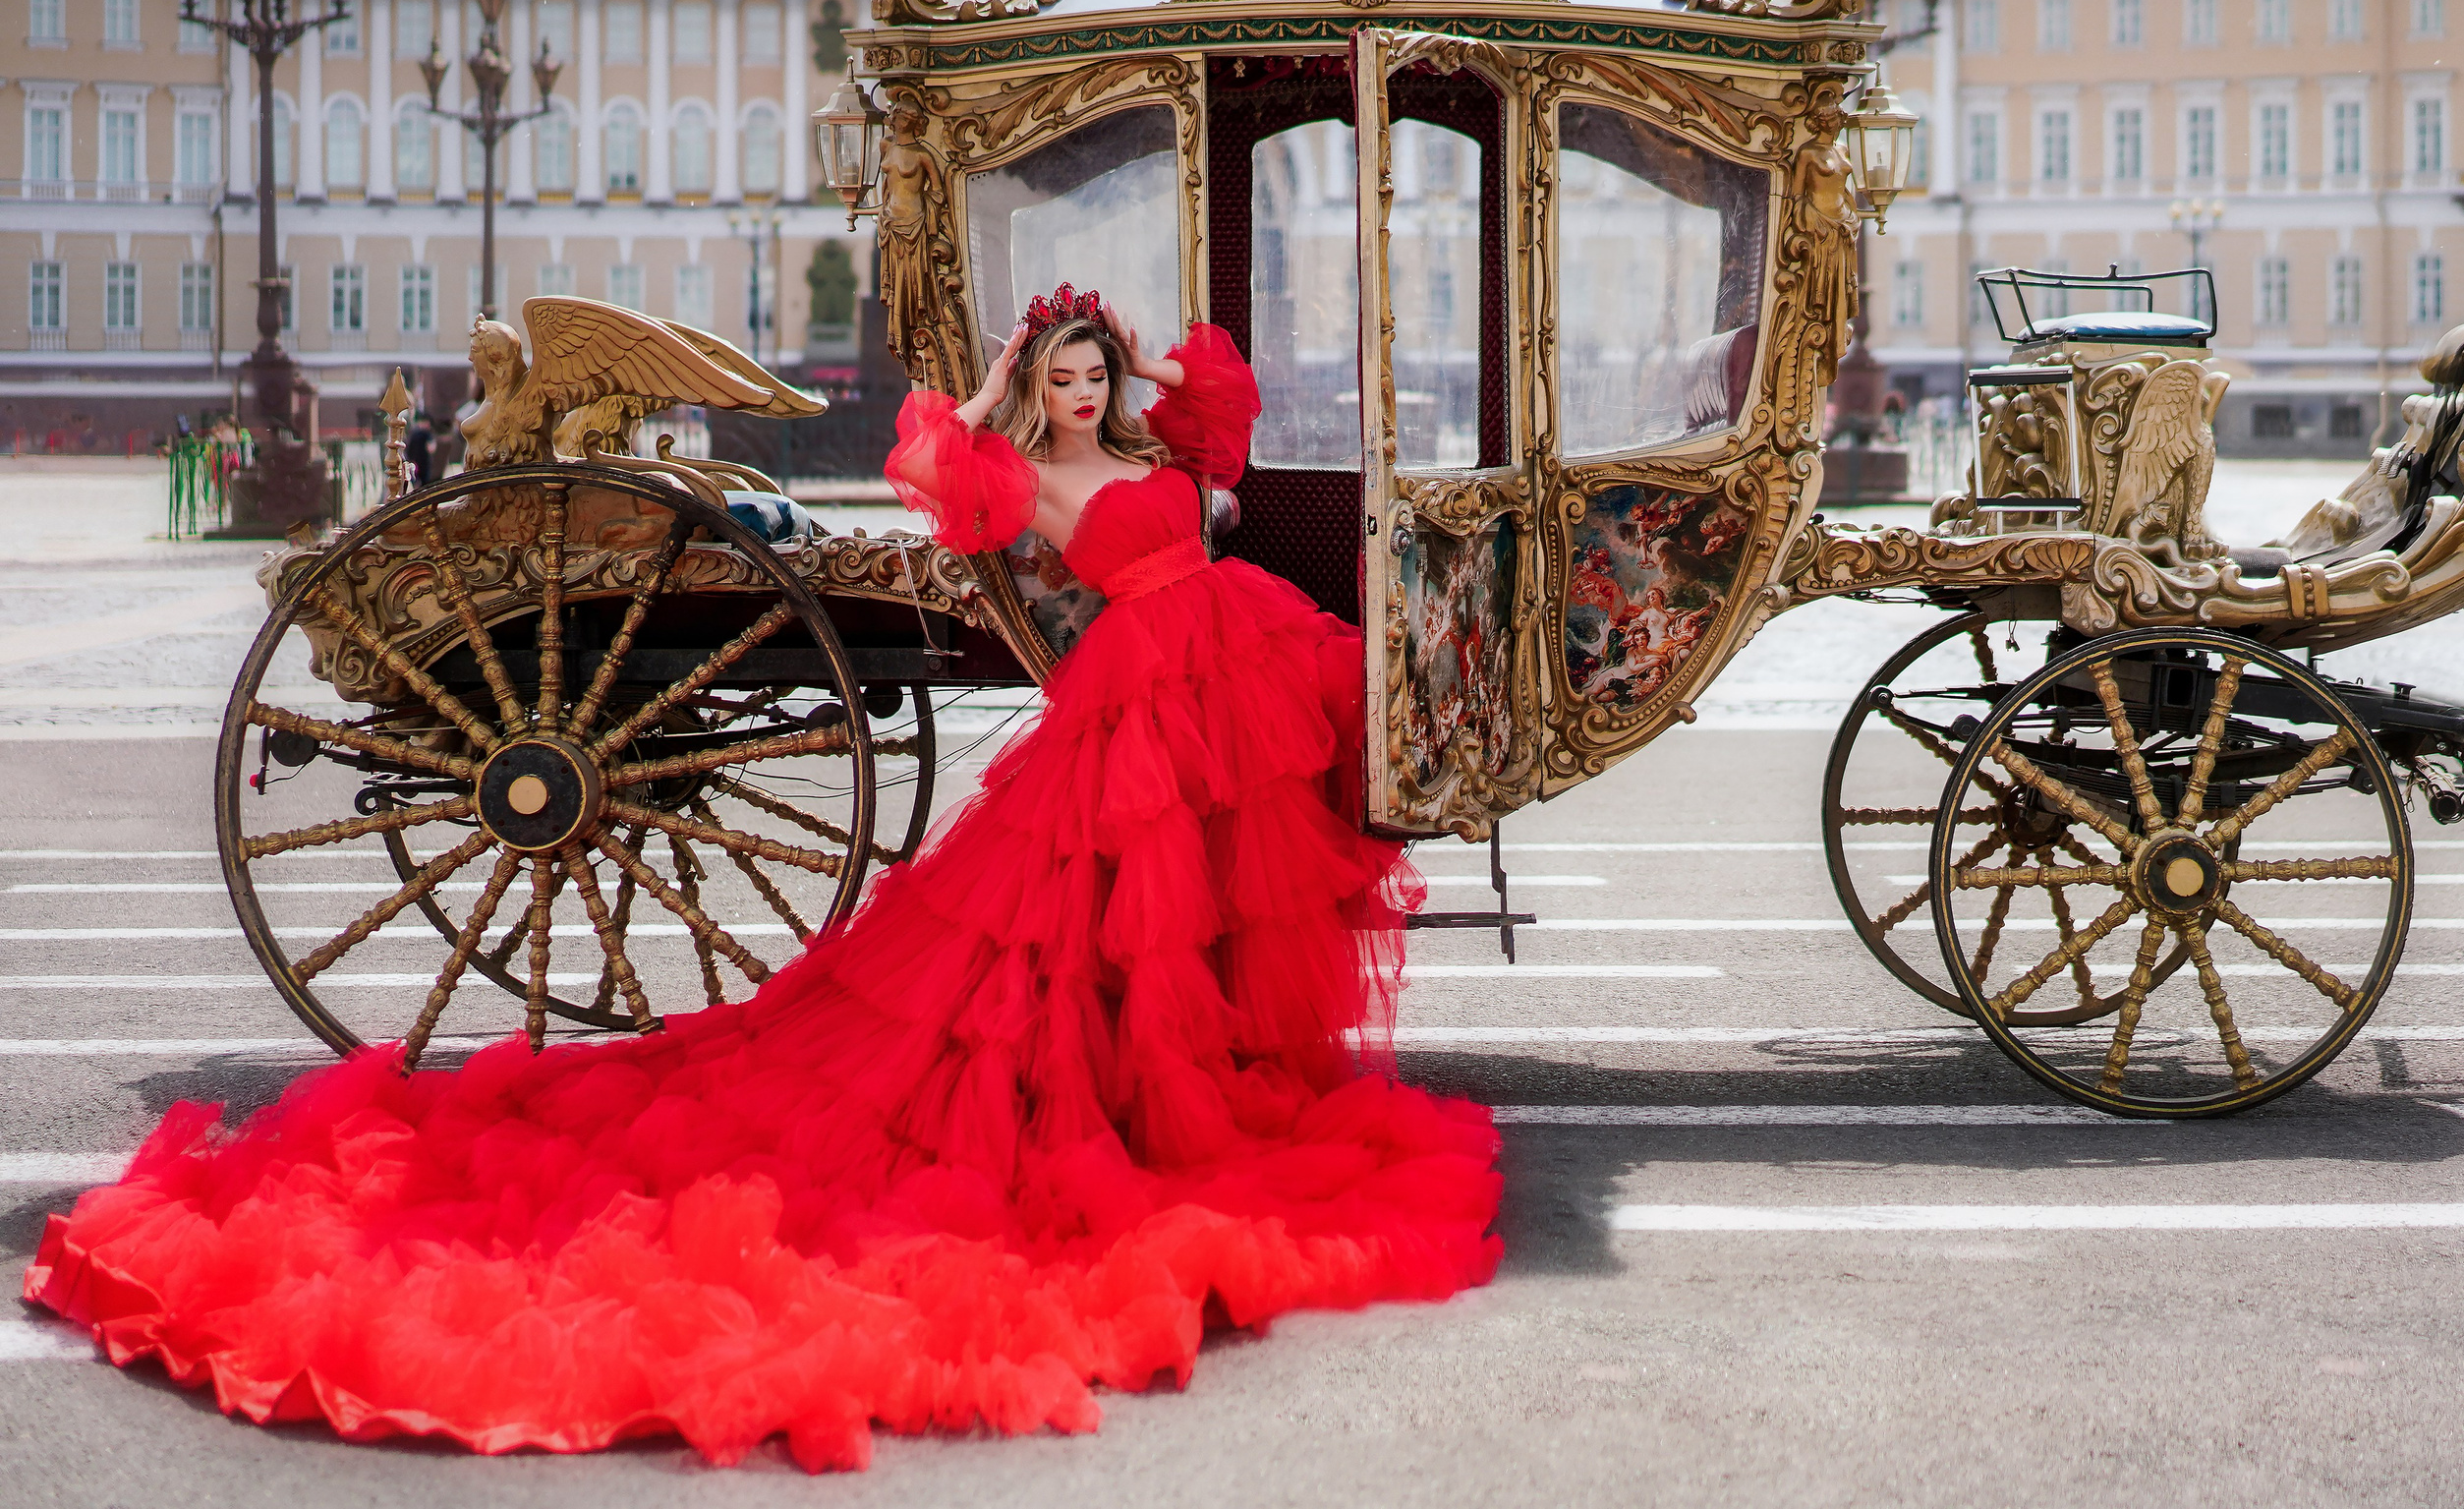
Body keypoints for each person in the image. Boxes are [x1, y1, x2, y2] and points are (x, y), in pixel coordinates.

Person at [24, 283, 1502, 1474]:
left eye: (1093, 377)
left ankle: (1204, 1049)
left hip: (1227, 653)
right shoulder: (1037, 472)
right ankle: (1144, 1083)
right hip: (1143, 683)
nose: (1086, 398)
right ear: (1037, 390)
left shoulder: (1149, 453)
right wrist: (999, 392)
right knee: (1112, 902)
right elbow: (942, 469)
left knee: (1227, 877)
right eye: (1066, 380)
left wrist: (1153, 378)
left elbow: (1221, 443)